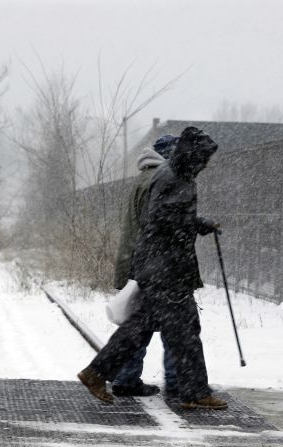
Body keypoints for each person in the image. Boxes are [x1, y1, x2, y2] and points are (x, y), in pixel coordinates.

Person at [78, 126, 227, 410]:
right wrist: (190, 228)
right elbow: (162, 220)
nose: (207, 164)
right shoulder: (177, 179)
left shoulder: (168, 175)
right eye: (205, 158)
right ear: (192, 156)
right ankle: (194, 393)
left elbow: (168, 217)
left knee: (141, 327)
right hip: (168, 269)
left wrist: (198, 224)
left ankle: (96, 373)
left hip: (157, 266)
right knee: (184, 332)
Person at [110, 135, 178, 397]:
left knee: (139, 326)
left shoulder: (143, 178)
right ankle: (176, 380)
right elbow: (160, 229)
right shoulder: (159, 183)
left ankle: (126, 378)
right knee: (176, 325)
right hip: (154, 267)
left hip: (136, 262)